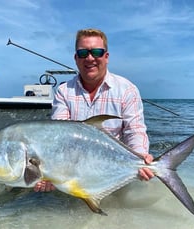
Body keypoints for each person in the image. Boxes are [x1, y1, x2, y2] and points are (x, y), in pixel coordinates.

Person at [34, 28, 154, 192]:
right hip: (75, 174)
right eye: (83, 53)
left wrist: (141, 159)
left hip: (114, 177)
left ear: (106, 57)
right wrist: (50, 174)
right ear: (76, 58)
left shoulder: (127, 90)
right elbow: (59, 139)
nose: (90, 58)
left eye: (96, 52)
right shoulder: (63, 91)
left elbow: (135, 131)